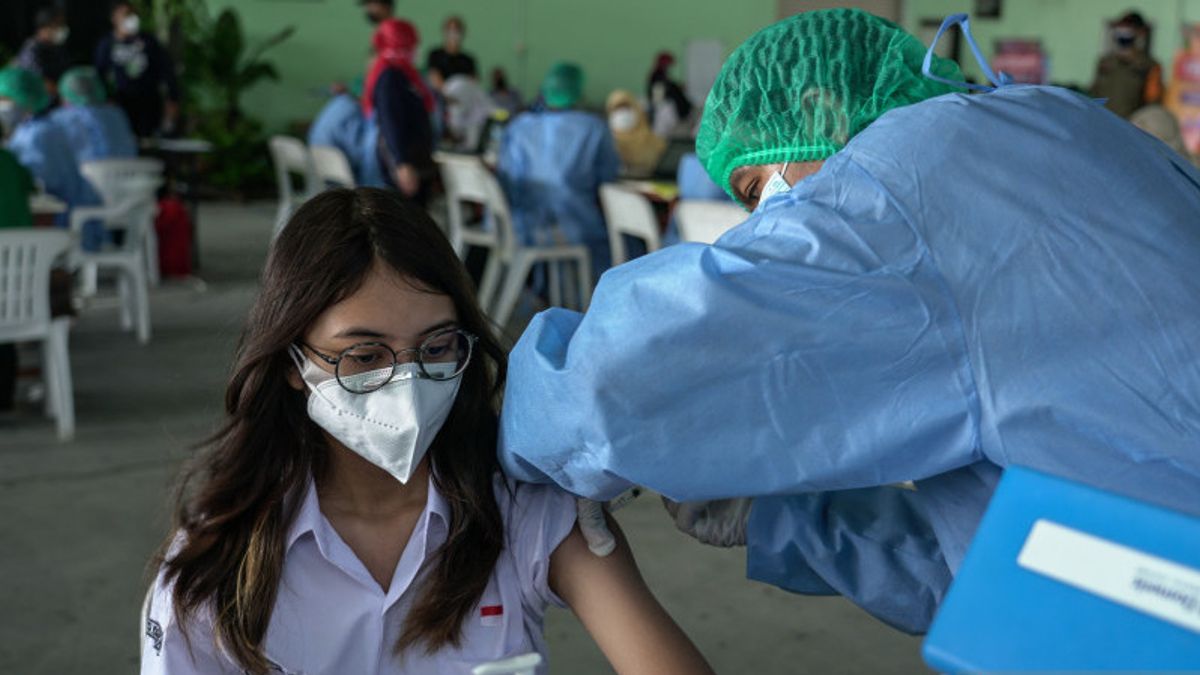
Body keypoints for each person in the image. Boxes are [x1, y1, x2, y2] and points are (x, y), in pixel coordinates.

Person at [497, 9, 1200, 635]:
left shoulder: (899, 187)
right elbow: (1007, 561)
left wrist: (491, 410)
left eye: (754, 189)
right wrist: (794, 517)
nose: (761, 222)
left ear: (820, 104)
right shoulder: (1056, 122)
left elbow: (605, 390)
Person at [139, 188, 714, 675]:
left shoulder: (522, 512)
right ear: (291, 363)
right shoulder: (216, 570)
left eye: (436, 347)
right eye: (363, 355)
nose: (407, 385)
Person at [498, 63, 619, 281]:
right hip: (575, 225)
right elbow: (608, 178)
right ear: (578, 92)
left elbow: (506, 177)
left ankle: (545, 290)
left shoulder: (520, 127)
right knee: (625, 245)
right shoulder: (593, 128)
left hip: (520, 227)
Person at [0, 67, 103, 249]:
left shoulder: (41, 134)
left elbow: (39, 183)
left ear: (24, 99)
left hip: (60, 224)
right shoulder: (34, 131)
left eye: (4, 98)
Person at [365, 19, 436, 201]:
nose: (416, 49)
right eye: (413, 43)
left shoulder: (405, 74)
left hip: (414, 159)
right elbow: (391, 121)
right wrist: (402, 163)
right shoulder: (391, 77)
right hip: (405, 164)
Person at [95, 1, 181, 138]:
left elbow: (167, 72)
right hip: (121, 104)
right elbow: (99, 75)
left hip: (149, 104)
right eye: (126, 14)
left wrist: (172, 100)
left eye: (134, 14)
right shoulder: (107, 45)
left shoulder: (149, 42)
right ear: (114, 18)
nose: (132, 18)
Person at [50, 66, 137, 163]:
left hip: (88, 174)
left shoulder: (59, 119)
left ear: (65, 96)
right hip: (128, 172)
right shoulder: (116, 113)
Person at [307, 79, 385, 187]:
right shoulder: (353, 109)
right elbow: (358, 153)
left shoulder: (337, 103)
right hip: (338, 175)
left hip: (321, 168)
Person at [1091, 11, 1163, 119]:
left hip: (1130, 126)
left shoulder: (1150, 66)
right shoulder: (1105, 63)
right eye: (1121, 28)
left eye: (1128, 29)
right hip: (1101, 122)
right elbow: (1094, 93)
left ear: (1140, 33)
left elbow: (1153, 104)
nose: (1123, 32)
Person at [605, 90, 665, 177]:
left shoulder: (655, 142)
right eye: (617, 109)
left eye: (626, 108)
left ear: (636, 109)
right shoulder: (606, 142)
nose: (622, 113)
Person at [15, 7, 71, 98]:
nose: (62, 29)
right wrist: (66, 95)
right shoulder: (32, 49)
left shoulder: (57, 48)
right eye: (58, 25)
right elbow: (39, 81)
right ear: (44, 27)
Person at [442, 74, 496, 153]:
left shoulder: (488, 116)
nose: (450, 106)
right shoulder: (461, 112)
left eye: (453, 101)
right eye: (449, 102)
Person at [646, 52, 692, 138]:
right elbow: (659, 93)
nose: (668, 66)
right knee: (661, 131)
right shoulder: (657, 75)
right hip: (664, 106)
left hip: (666, 105)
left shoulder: (661, 74)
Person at [426, 16, 477, 81]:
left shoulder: (468, 60)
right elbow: (434, 78)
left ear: (463, 33)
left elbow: (472, 82)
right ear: (444, 32)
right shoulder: (435, 55)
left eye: (457, 30)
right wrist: (447, 90)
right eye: (450, 30)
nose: (453, 34)